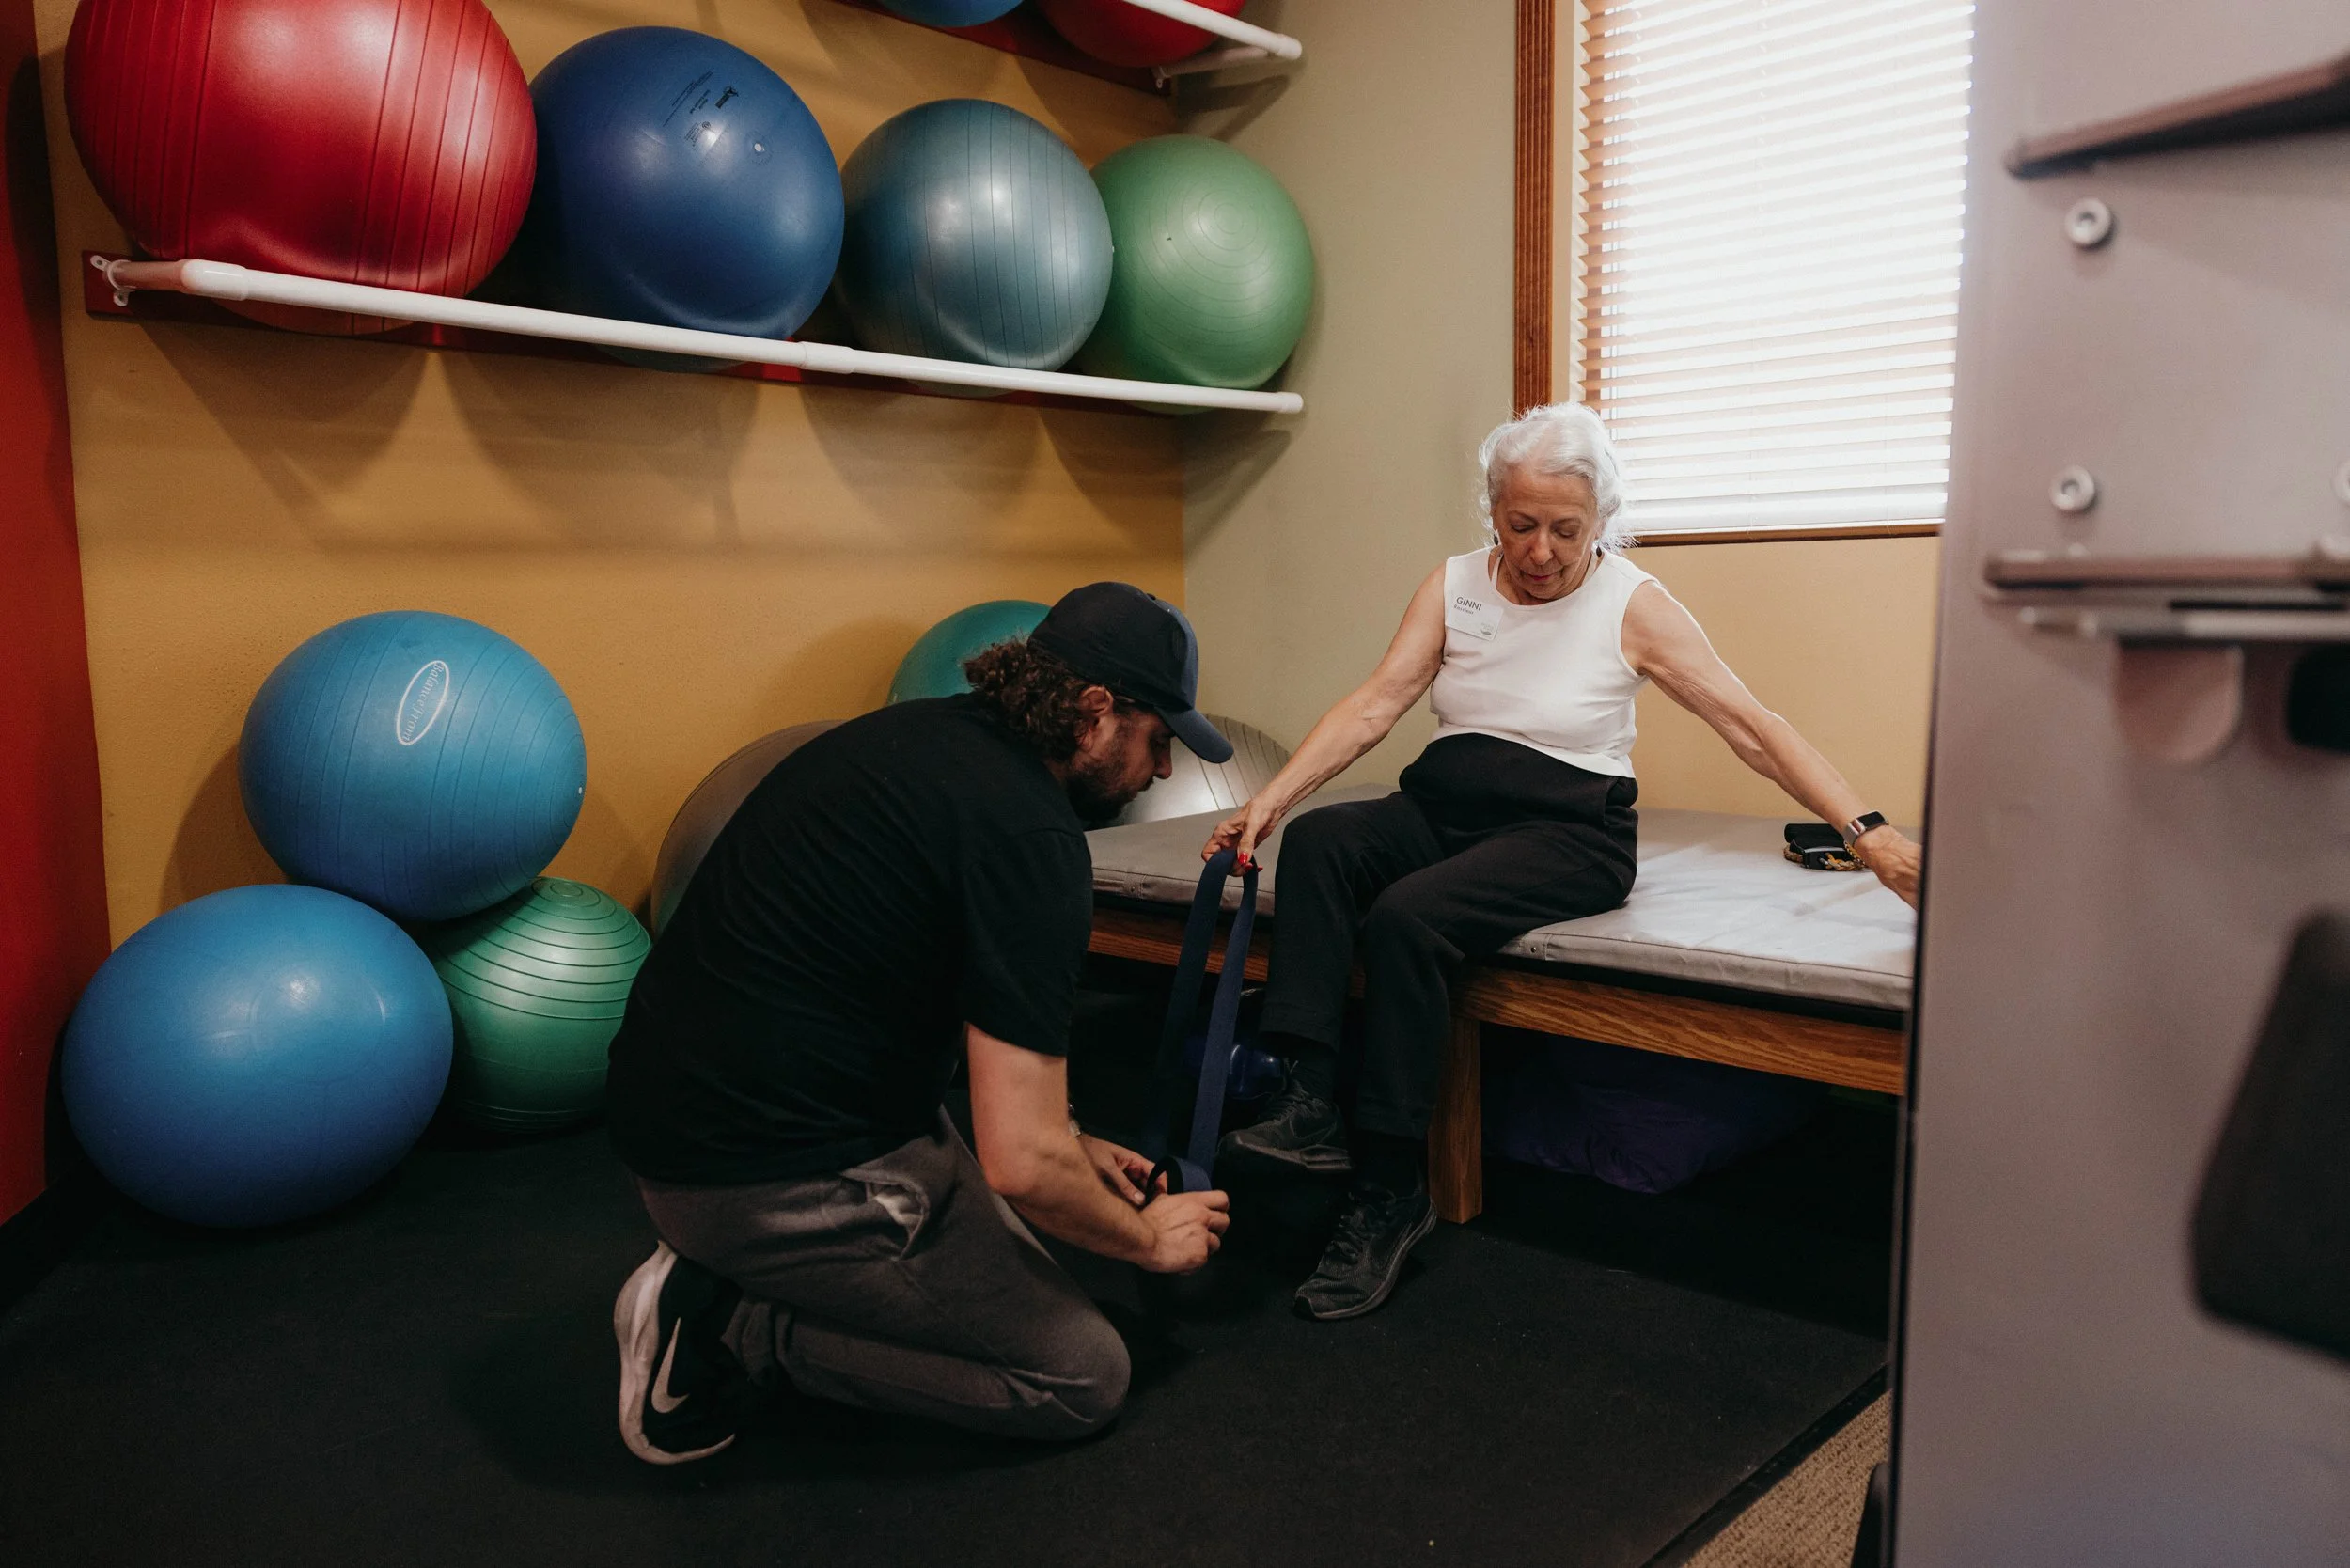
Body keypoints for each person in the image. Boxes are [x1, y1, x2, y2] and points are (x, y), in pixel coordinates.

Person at [1205, 402, 1924, 1321]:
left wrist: (1866, 834)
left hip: (1568, 833)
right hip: (1443, 806)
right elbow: (1376, 702)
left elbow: (1751, 726)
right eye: (1518, 525)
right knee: (1322, 840)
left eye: (1564, 529)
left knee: (1407, 920)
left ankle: (1390, 1187)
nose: (1539, 551)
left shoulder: (1633, 603)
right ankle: (1305, 1101)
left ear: (1602, 521)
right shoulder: (1455, 582)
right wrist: (1270, 799)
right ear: (1491, 511)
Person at [604, 583, 1234, 1464]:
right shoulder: (1029, 838)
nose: (1163, 773)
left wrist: (1068, 1138)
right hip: (754, 1172)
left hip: (680, 1114)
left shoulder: (915, 738)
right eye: (1157, 742)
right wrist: (1146, 1240)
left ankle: (743, 1264)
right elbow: (1018, 1162)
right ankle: (732, 1323)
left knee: (1037, 1202)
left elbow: (903, 993)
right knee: (1080, 1376)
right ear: (1095, 712)